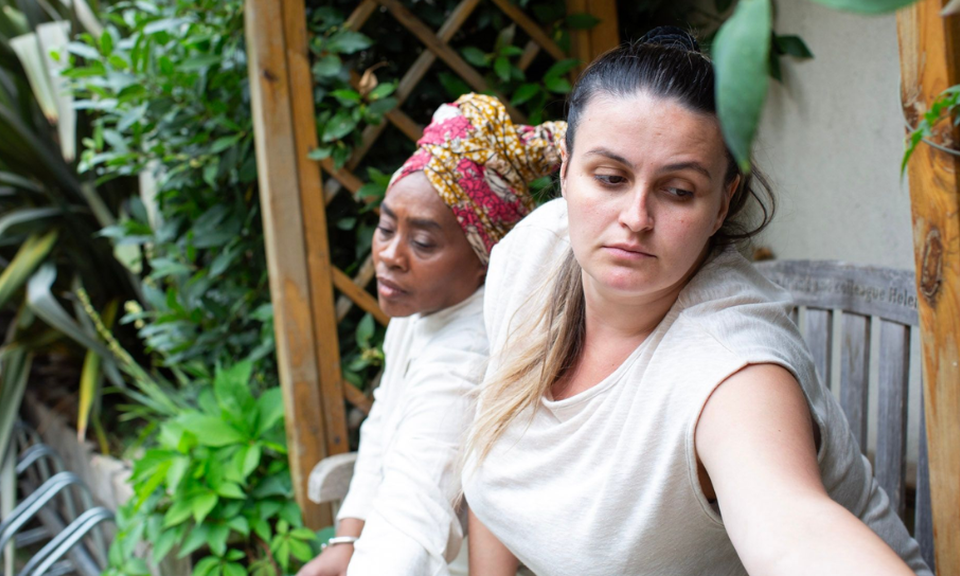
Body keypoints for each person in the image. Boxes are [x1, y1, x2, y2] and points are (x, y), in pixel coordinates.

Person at [462, 28, 931, 576]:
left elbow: (795, 534)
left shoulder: (729, 364)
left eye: (678, 190)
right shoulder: (532, 257)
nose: (636, 217)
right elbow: (506, 470)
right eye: (610, 178)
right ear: (565, 171)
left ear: (722, 202)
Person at [297, 93, 565, 576]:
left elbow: (413, 512)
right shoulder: (417, 311)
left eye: (422, 242)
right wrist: (345, 541)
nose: (391, 255)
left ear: (487, 260)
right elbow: (381, 428)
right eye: (385, 227)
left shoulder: (469, 355)